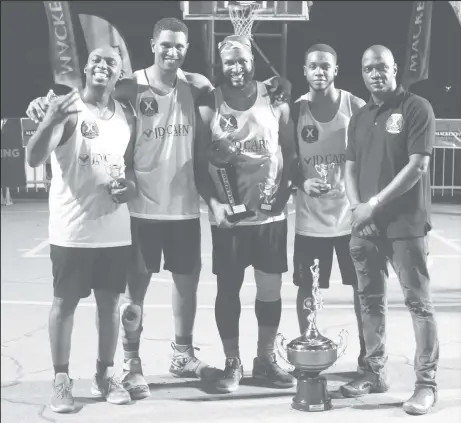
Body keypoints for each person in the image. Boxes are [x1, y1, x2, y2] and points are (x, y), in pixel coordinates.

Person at [26, 17, 292, 400]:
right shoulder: (129, 85)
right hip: (140, 210)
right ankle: (132, 367)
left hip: (184, 208)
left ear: (186, 49)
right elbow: (91, 98)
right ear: (152, 44)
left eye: (179, 46)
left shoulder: (198, 85)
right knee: (135, 295)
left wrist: (276, 85)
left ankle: (182, 355)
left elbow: (238, 89)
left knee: (187, 287)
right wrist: (41, 104)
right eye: (165, 45)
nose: (172, 52)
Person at [26, 46, 136, 413]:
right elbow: (34, 157)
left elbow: (129, 166)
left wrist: (128, 188)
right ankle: (61, 380)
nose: (103, 65)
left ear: (120, 74)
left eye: (111, 62)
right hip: (72, 229)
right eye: (96, 60)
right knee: (64, 305)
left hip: (115, 230)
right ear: (86, 69)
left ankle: (104, 375)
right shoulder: (67, 108)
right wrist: (47, 119)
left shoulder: (127, 115)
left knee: (110, 306)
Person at [195, 35, 298, 393]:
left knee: (270, 291)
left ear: (251, 61)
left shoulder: (276, 97)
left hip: (269, 217)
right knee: (229, 290)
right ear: (220, 67)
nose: (236, 68)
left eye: (241, 61)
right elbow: (198, 164)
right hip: (230, 220)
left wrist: (282, 197)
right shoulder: (210, 103)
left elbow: (292, 156)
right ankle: (232, 363)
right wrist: (214, 203)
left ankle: (265, 360)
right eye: (228, 63)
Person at [340, 45, 439, 416]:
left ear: (394, 68)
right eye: (368, 68)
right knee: (369, 300)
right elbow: (349, 166)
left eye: (381, 67)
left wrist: (374, 204)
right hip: (366, 227)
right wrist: (356, 207)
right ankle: (373, 371)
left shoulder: (416, 108)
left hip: (404, 226)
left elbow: (417, 166)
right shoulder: (360, 117)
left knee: (419, 304)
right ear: (362, 73)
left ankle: (426, 384)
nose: (375, 74)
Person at [283, 44, 367, 373]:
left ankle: (367, 352)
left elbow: (368, 157)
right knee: (307, 288)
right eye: (313, 66)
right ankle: (308, 345)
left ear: (335, 70)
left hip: (350, 219)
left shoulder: (354, 106)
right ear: (304, 71)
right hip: (310, 221)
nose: (320, 72)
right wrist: (301, 182)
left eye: (326, 66)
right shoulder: (294, 111)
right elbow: (288, 159)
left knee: (362, 288)